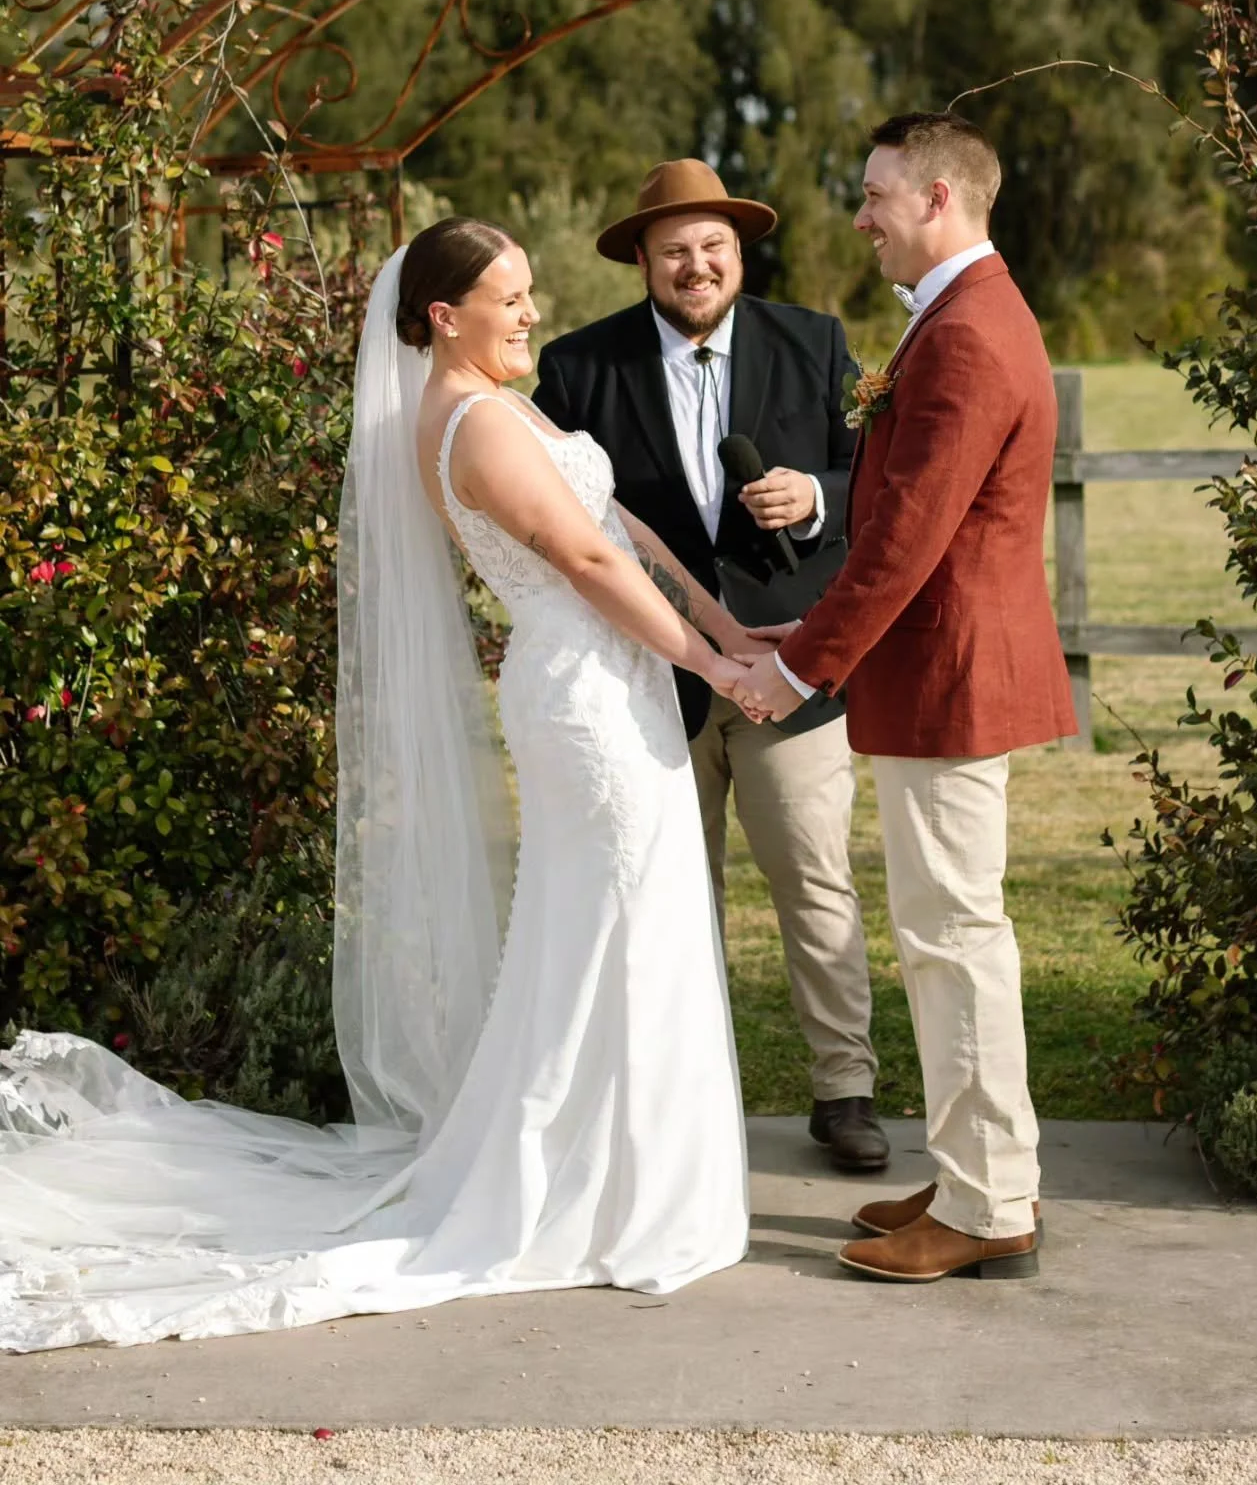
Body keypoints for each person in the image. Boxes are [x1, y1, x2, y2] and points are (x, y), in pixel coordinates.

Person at [0, 218, 773, 1351]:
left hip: (620, 682)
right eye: (509, 298)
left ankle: (624, 1178)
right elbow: (588, 559)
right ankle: (602, 1195)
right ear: (445, 316)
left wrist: (723, 621)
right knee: (615, 929)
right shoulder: (466, 422)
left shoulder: (504, 404)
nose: (531, 313)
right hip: (588, 700)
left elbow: (620, 520)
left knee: (623, 928)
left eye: (530, 291)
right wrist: (711, 669)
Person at [740, 113, 1077, 1282]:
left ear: (938, 196)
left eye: (876, 194)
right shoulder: (963, 317)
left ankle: (990, 1212)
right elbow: (901, 529)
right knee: (951, 934)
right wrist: (807, 630)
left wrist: (792, 670)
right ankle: (986, 1169)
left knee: (954, 938)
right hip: (942, 671)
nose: (861, 215)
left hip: (951, 678)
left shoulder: (969, 335)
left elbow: (906, 546)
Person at [534, 158, 888, 1173]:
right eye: (676, 248)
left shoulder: (814, 344)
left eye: (714, 246)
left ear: (740, 252)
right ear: (642, 258)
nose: (697, 264)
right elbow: (573, 524)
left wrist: (816, 497)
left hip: (790, 675)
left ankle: (845, 1093)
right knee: (658, 895)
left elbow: (877, 480)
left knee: (814, 884)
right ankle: (674, 1100)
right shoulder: (577, 369)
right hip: (652, 681)